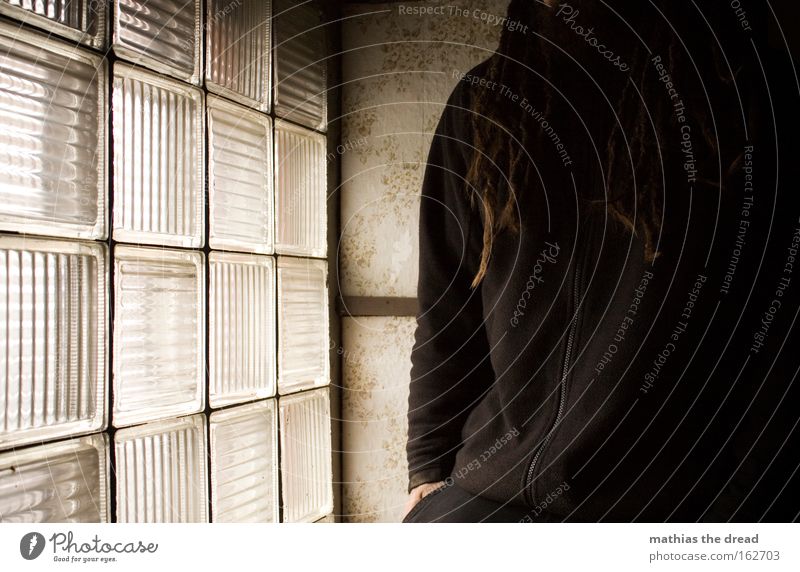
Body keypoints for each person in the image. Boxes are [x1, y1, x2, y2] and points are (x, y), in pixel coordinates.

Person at [404, 0, 800, 523]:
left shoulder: (737, 103)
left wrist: (749, 511)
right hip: (493, 486)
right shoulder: (485, 102)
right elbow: (447, 307)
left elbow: (781, 331)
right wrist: (427, 466)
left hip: (672, 502)